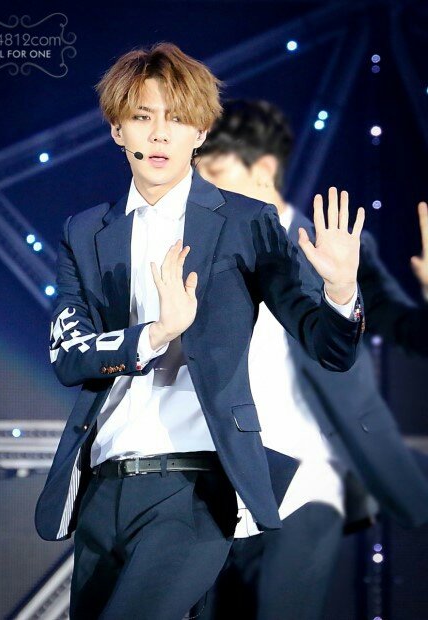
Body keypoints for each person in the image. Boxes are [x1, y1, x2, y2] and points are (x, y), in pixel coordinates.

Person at [34, 45, 366, 620]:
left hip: (194, 488)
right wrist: (156, 333)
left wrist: (340, 291)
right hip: (102, 487)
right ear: (117, 130)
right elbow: (69, 355)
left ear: (201, 132)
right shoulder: (85, 232)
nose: (160, 133)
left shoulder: (246, 221)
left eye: (177, 117)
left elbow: (330, 347)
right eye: (142, 116)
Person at [195, 99, 428, 620]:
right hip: (222, 474)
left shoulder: (336, 247)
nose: (205, 190)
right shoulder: (199, 252)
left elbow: (408, 329)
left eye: (216, 173)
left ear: (264, 169)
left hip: (308, 473)